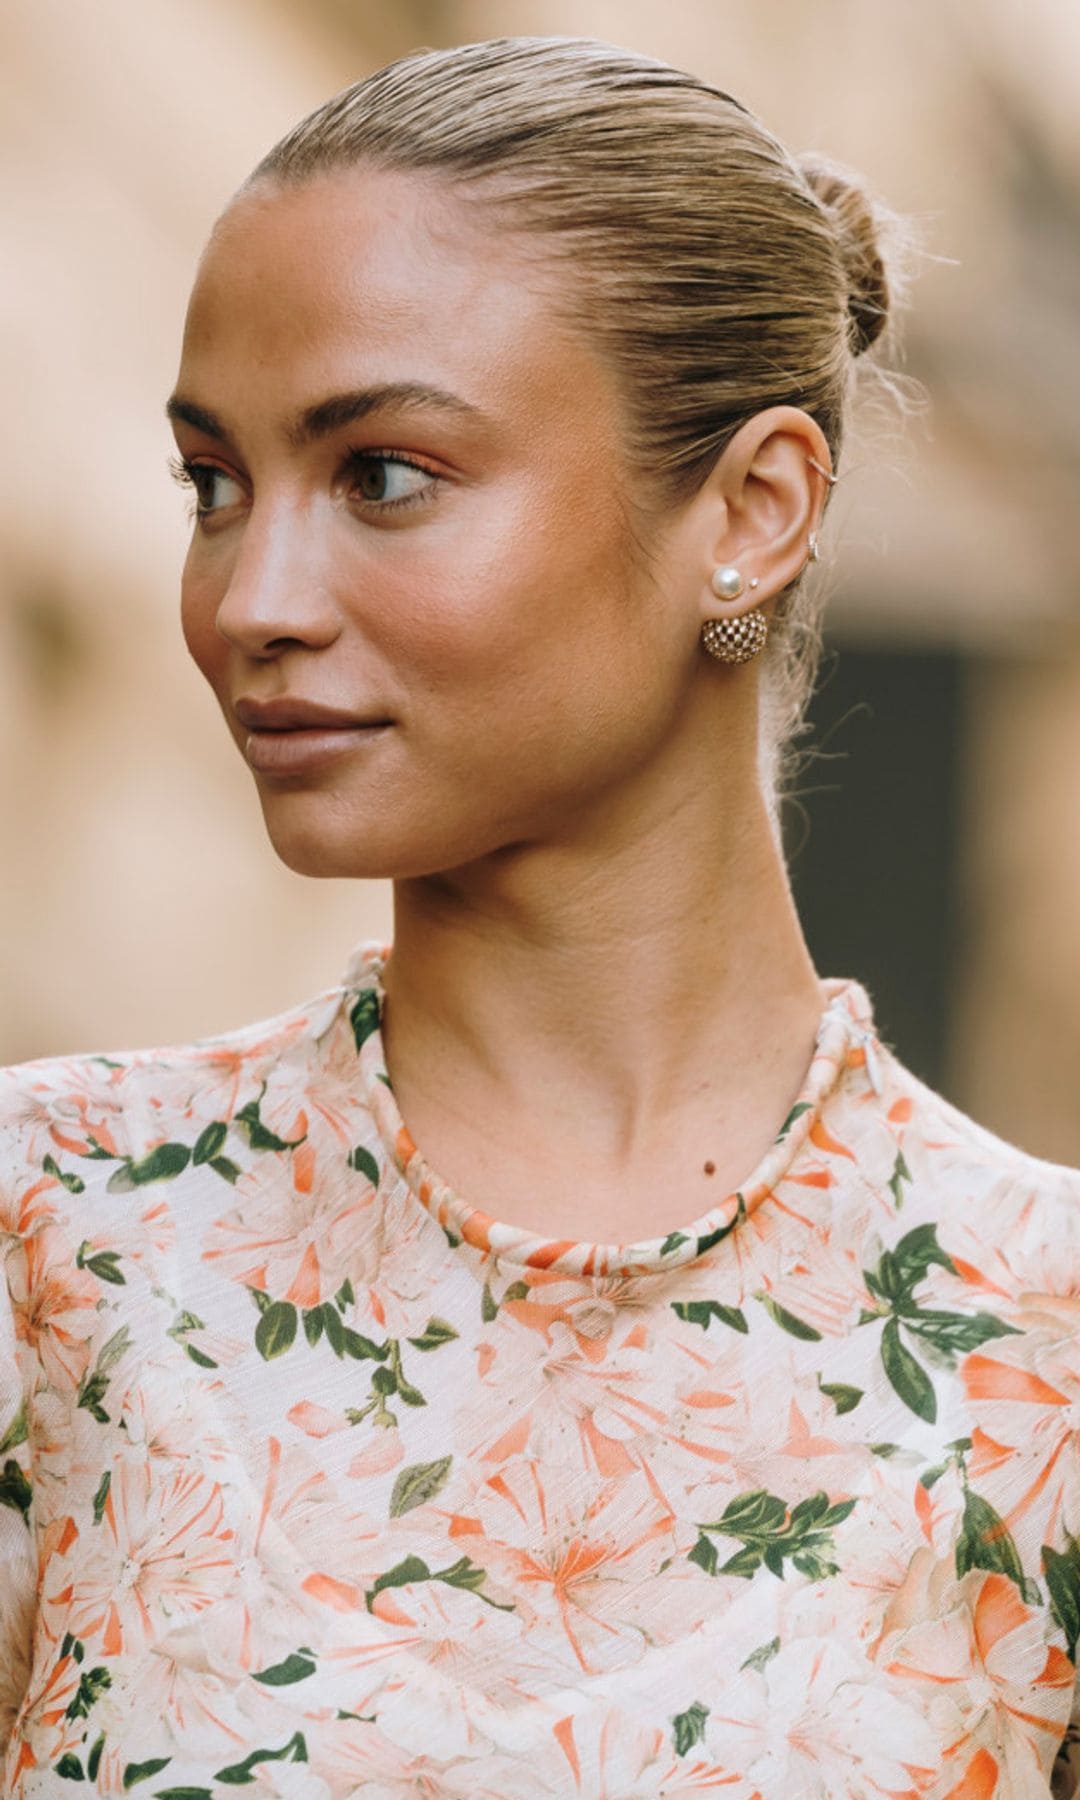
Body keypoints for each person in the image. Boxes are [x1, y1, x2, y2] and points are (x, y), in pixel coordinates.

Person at [1, 33, 1078, 1797]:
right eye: (214, 485)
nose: (250, 599)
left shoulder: (1040, 1343)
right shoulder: (57, 1241)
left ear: (754, 508)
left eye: (385, 477)